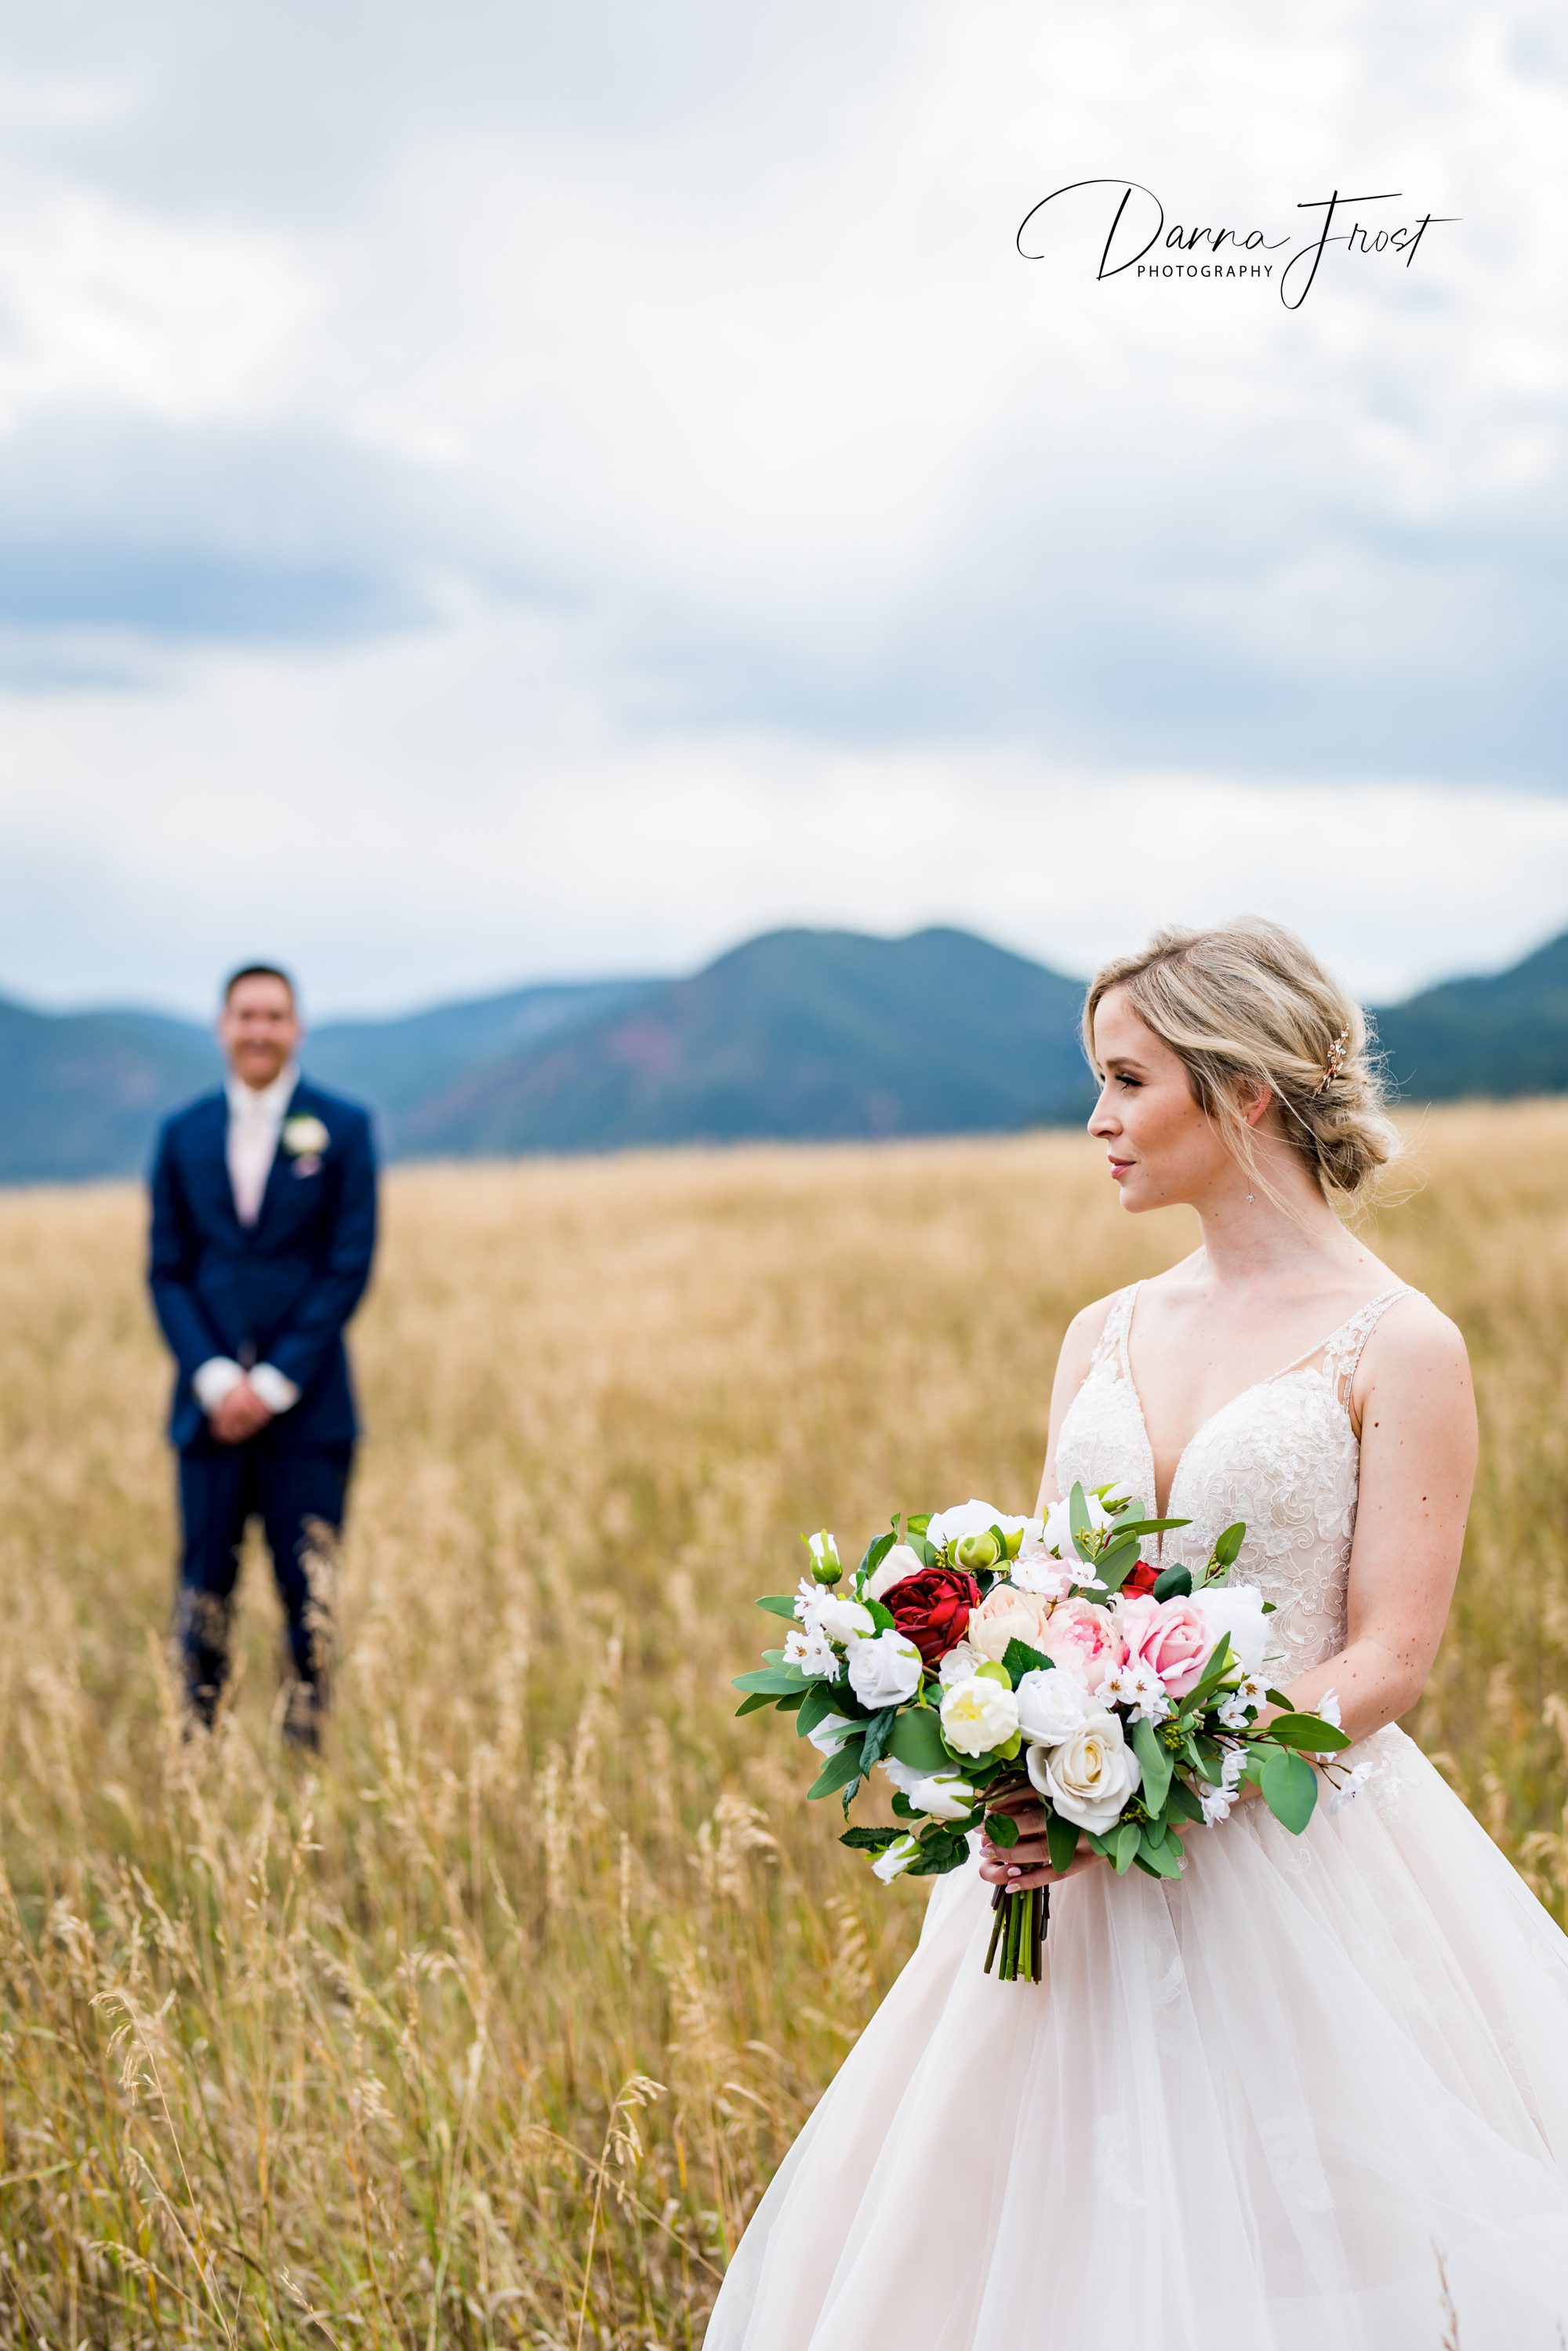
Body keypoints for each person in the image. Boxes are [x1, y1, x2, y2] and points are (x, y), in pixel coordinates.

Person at [704, 918, 1568, 2349]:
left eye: (1127, 1081)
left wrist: (1180, 1770)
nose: (1098, 1121)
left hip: (1296, 1861)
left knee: (1306, 2240)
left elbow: (1388, 1659)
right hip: (1068, 1857)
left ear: (1244, 1093)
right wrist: (1008, 1740)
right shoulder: (1101, 1329)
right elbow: (1048, 1582)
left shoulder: (1401, 1342)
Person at [148, 964, 377, 1746]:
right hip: (206, 1414)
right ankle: (197, 1754)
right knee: (203, 1591)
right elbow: (168, 1269)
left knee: (306, 1597)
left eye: (274, 1016)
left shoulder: (343, 1129)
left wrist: (274, 1381)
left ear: (297, 1027)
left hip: (309, 1413)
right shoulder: (181, 1134)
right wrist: (215, 1378)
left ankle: (304, 1756)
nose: (259, 1030)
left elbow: (347, 1266)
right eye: (246, 1015)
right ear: (222, 1025)